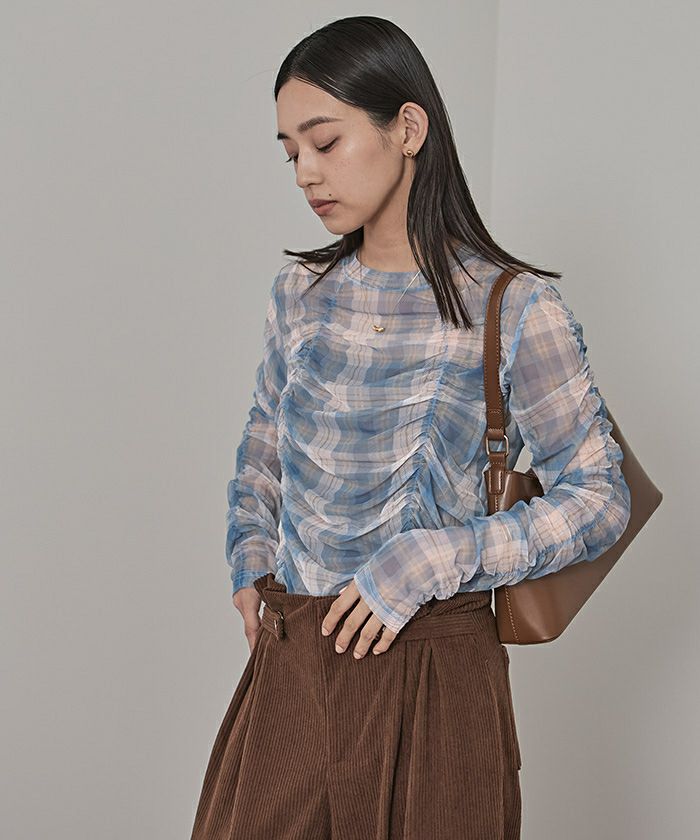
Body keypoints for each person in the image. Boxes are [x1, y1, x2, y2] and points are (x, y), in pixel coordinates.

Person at [190, 15, 631, 840]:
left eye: (326, 141)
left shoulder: (514, 307)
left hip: (436, 673)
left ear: (408, 128)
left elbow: (601, 497)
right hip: (295, 668)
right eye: (291, 152)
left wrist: (437, 558)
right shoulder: (300, 295)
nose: (306, 172)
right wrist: (249, 562)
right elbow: (262, 449)